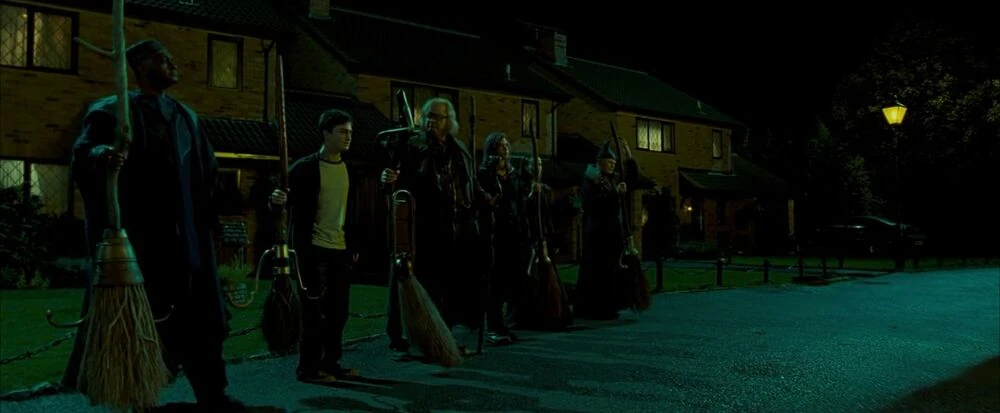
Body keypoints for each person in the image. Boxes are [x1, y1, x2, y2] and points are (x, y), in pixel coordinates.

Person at [65, 38, 245, 412]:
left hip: (189, 240)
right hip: (143, 243)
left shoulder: (186, 117)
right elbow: (83, 152)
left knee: (202, 320)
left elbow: (207, 174)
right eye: (165, 60)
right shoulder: (112, 111)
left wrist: (215, 219)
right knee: (142, 320)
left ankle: (212, 394)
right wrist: (102, 155)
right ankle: (140, 397)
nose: (173, 65)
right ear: (142, 66)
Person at [380, 97, 483, 356]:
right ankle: (413, 339)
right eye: (428, 116)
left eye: (437, 117)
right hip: (422, 231)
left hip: (454, 229)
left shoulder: (459, 149)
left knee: (449, 288)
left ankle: (442, 337)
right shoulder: (412, 146)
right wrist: (387, 179)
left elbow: (467, 186)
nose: (431, 121)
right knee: (418, 284)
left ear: (449, 121)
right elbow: (396, 182)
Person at [268, 109, 362, 383]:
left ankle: (331, 363)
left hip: (340, 248)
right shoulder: (304, 168)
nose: (348, 137)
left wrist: (354, 244)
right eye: (342, 132)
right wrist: (275, 200)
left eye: (350, 132)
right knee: (312, 311)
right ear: (326, 134)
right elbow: (278, 200)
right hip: (312, 248)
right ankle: (308, 368)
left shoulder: (350, 170)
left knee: (338, 311)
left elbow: (352, 211)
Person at [573, 139, 637, 320]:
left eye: (613, 163)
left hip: (613, 232)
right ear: (600, 162)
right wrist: (614, 193)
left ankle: (609, 306)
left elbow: (632, 179)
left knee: (611, 271)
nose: (612, 165)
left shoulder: (613, 179)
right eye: (609, 162)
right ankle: (594, 308)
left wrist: (628, 156)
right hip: (597, 233)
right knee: (597, 271)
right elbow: (592, 204)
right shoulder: (591, 179)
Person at [476, 132, 530, 344]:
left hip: (513, 233)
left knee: (510, 281)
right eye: (500, 145)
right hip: (494, 233)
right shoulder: (485, 174)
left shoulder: (513, 175)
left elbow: (520, 202)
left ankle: (503, 325)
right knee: (494, 282)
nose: (505, 148)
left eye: (507, 144)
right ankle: (493, 327)